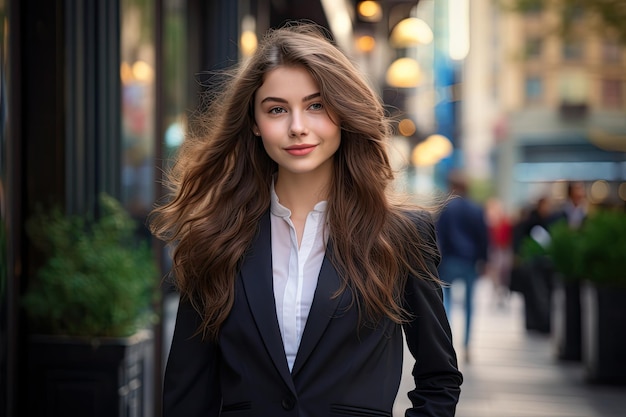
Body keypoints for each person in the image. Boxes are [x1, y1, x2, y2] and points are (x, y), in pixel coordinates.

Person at [149, 22, 462, 416]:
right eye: (277, 109)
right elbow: (187, 394)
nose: (298, 127)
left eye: (316, 105)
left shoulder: (399, 235)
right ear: (254, 124)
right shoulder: (214, 238)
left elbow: (439, 379)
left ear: (343, 114)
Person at [435, 170, 489, 362]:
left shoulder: (446, 208)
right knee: (469, 305)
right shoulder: (476, 209)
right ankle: (467, 345)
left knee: (445, 303)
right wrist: (483, 260)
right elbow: (483, 237)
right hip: (470, 261)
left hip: (449, 260)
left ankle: (446, 343)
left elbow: (438, 236)